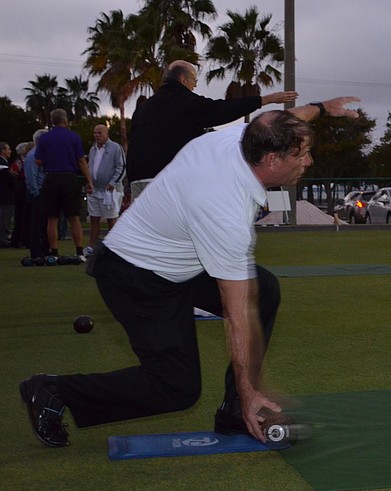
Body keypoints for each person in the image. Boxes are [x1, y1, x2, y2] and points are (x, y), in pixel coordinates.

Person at [20, 100, 360, 448]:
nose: (309, 161)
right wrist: (250, 392)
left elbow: (280, 122)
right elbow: (238, 316)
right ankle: (53, 390)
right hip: (134, 275)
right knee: (175, 389)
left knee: (266, 289)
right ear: (273, 160)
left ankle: (231, 411)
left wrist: (319, 107)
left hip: (177, 261)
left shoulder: (240, 140)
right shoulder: (225, 208)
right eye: (301, 155)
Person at [127, 60, 299, 201]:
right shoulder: (185, 101)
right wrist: (266, 100)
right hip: (168, 180)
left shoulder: (143, 108)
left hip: (138, 180)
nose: (194, 86)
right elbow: (221, 109)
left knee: (147, 235)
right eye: (194, 80)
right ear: (183, 79)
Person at [34, 108, 93, 258]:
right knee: (74, 217)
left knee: (52, 218)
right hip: (69, 177)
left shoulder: (45, 139)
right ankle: (79, 251)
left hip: (52, 177)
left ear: (52, 121)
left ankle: (54, 252)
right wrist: (89, 180)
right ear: (65, 120)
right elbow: (81, 161)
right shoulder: (73, 137)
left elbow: (38, 161)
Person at [85, 124, 126, 255]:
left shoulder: (115, 148)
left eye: (100, 133)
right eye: (95, 133)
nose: (97, 135)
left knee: (111, 218)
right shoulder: (93, 149)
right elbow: (90, 167)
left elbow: (122, 167)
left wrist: (113, 182)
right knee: (94, 218)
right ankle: (91, 246)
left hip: (110, 191)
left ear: (107, 134)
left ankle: (114, 247)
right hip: (95, 190)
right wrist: (89, 182)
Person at [24, 129, 49, 259]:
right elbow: (30, 176)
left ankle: (44, 249)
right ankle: (37, 251)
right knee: (37, 223)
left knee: (44, 223)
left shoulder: (41, 154)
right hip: (38, 193)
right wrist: (36, 192)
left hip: (43, 192)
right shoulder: (33, 155)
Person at [0, 142, 14, 247]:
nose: (10, 151)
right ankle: (3, 239)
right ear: (3, 151)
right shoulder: (2, 163)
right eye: (8, 149)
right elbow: (8, 179)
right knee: (5, 217)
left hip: (5, 194)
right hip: (5, 195)